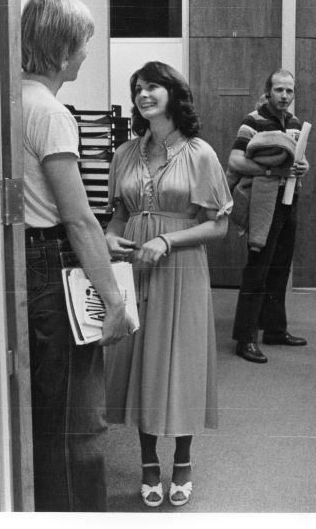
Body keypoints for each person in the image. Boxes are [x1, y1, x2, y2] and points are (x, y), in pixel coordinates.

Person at [21, 0, 136, 511]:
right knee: (78, 421)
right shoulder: (50, 113)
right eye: (86, 40)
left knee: (46, 412)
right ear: (65, 47)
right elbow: (78, 219)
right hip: (52, 262)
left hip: (26, 258)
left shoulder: (11, 102)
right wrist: (114, 301)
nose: (88, 51)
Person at [103, 61, 232, 508]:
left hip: (181, 268)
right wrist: (108, 236)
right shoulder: (124, 153)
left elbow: (217, 226)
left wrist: (165, 239)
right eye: (137, 88)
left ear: (173, 93)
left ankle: (182, 460)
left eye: (152, 86)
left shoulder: (200, 153)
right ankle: (147, 463)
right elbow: (119, 213)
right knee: (140, 358)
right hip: (135, 264)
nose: (142, 94)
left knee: (180, 362)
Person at [229, 69, 310, 364]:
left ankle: (275, 329)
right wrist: (270, 171)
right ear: (268, 92)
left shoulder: (295, 123)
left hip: (289, 201)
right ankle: (245, 338)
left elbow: (295, 159)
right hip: (262, 202)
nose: (284, 96)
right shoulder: (253, 121)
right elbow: (235, 160)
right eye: (279, 90)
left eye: (289, 91)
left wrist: (303, 168)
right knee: (258, 269)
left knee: (280, 268)